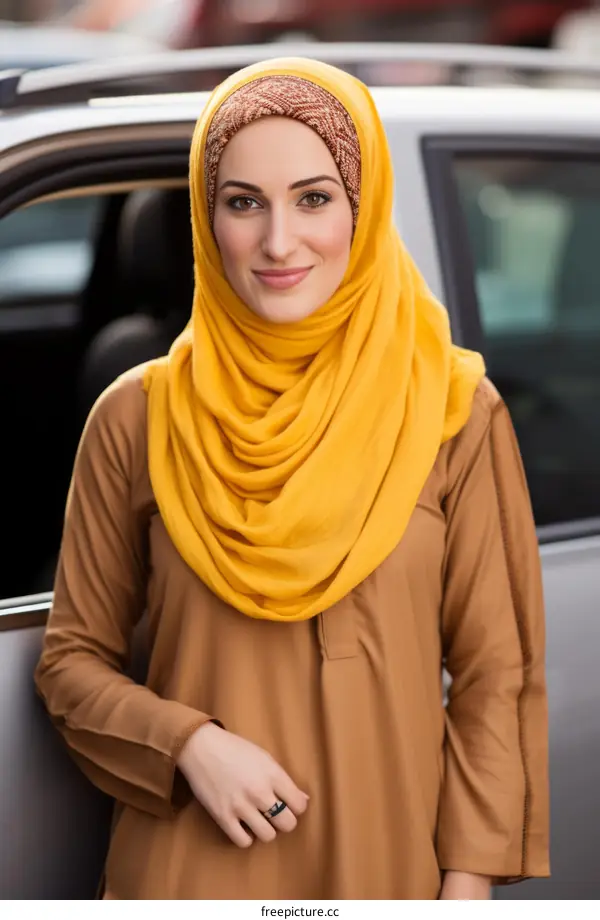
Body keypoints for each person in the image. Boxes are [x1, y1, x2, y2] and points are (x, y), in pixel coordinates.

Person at [34, 56, 550, 900]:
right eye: (244, 203)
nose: (279, 242)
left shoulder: (454, 411)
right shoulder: (139, 415)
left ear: (363, 206)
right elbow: (72, 663)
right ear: (207, 219)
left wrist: (467, 888)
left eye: (314, 198)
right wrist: (188, 744)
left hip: (388, 869)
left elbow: (502, 677)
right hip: (188, 874)